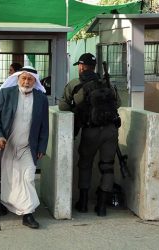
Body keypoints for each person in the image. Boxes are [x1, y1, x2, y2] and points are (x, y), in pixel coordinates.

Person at [58, 53, 120, 217]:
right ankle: (101, 207)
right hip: (111, 130)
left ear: (80, 66)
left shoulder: (74, 84)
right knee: (107, 166)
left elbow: (63, 107)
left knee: (85, 164)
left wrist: (79, 110)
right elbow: (118, 103)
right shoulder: (106, 83)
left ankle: (83, 203)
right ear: (94, 67)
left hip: (90, 130)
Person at [0, 66, 48, 229]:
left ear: (35, 81)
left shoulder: (41, 99)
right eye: (23, 78)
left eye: (30, 79)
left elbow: (44, 125)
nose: (26, 82)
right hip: (6, 145)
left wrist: (42, 145)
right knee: (6, 178)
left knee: (28, 178)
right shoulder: (6, 94)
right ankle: (4, 202)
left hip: (28, 146)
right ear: (17, 79)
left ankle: (28, 213)